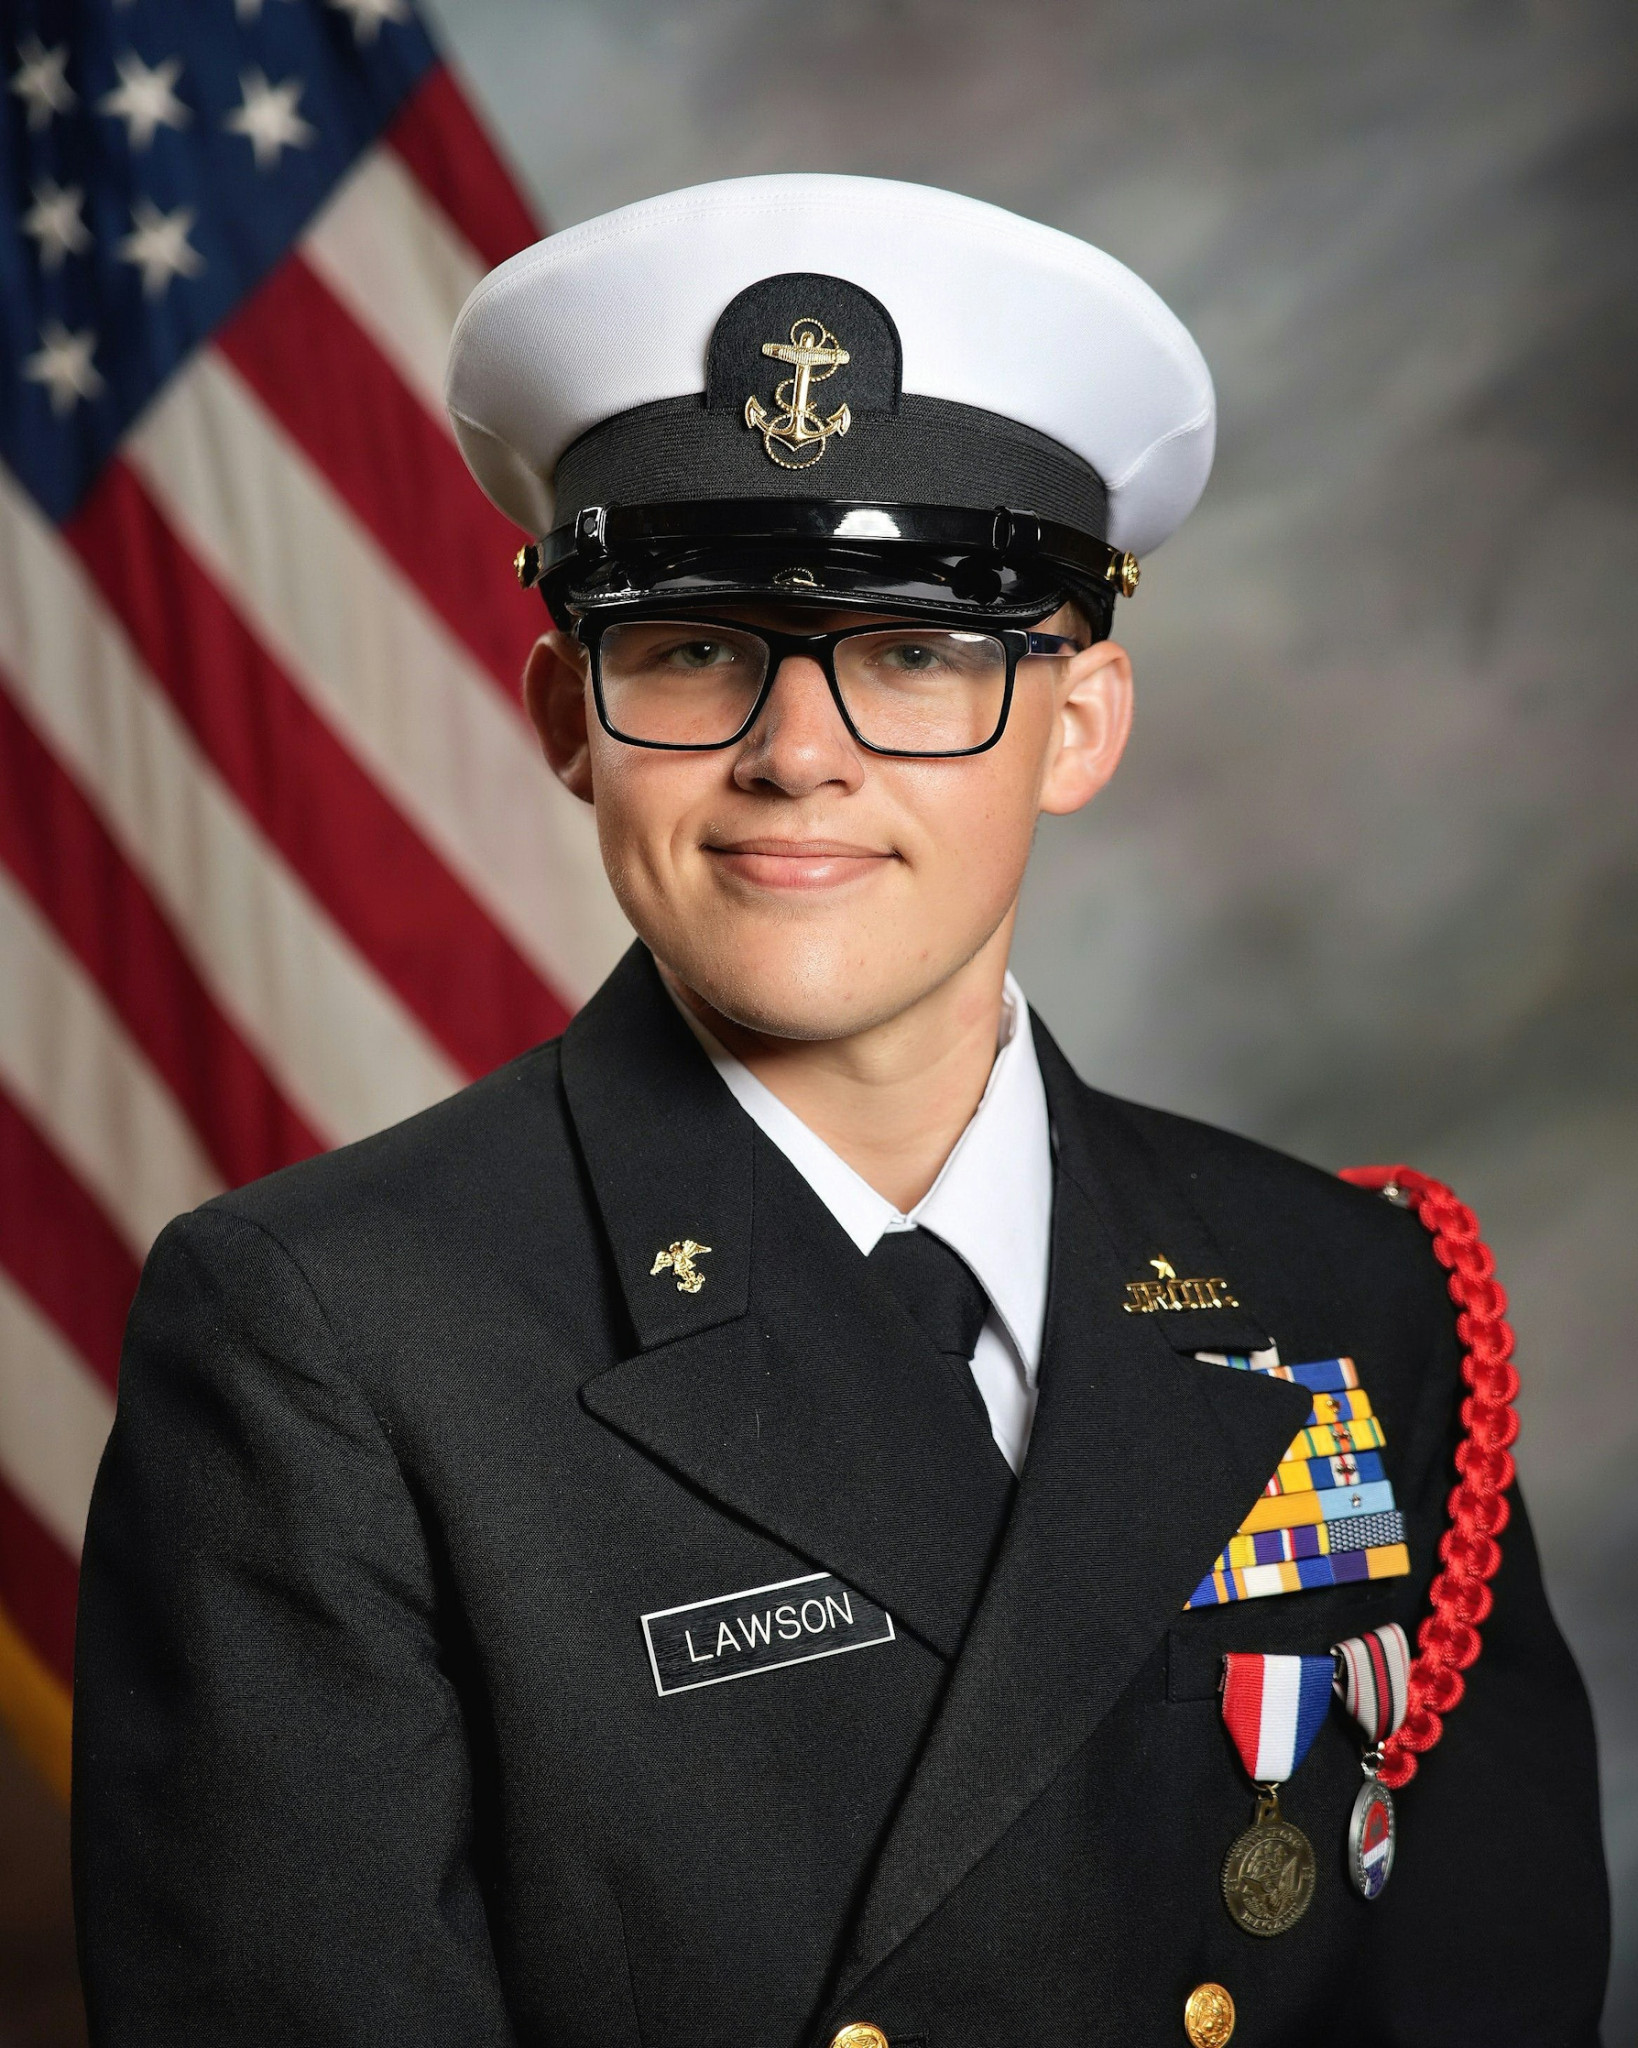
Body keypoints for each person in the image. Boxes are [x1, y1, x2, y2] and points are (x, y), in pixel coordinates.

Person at [73, 174, 1608, 2047]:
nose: (796, 755)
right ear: (566, 715)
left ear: (1077, 725)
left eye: (913, 655)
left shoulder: (1348, 1289)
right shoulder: (331, 1336)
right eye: (692, 649)